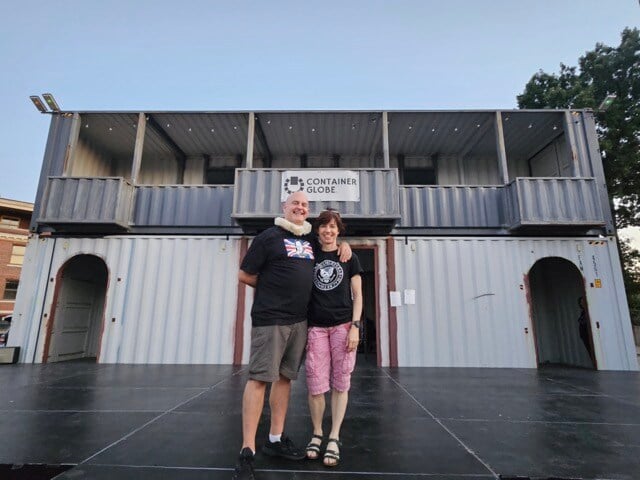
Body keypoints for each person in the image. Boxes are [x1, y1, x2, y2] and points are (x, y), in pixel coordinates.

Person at [232, 192, 351, 480]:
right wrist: (271, 287)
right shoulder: (269, 237)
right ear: (284, 207)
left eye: (305, 205)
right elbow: (244, 274)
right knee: (260, 379)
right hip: (271, 320)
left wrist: (344, 244)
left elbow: (328, 244)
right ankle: (247, 449)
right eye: (295, 203)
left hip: (300, 322)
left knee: (285, 379)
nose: (300, 208)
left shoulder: (308, 240)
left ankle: (275, 439)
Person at [304, 209, 363, 468]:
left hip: (342, 326)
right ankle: (317, 432)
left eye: (333, 227)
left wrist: (356, 326)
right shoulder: (310, 254)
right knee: (315, 383)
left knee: (341, 382)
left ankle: (334, 436)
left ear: (339, 230)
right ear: (317, 230)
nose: (328, 231)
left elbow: (358, 295)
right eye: (324, 226)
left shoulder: (349, 257)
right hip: (316, 326)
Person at [577, 296, 595, 365]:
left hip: (588, 334)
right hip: (584, 334)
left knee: (592, 350)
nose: (582, 304)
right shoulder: (583, 312)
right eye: (581, 302)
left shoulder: (589, 311)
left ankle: (595, 364)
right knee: (589, 350)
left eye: (583, 302)